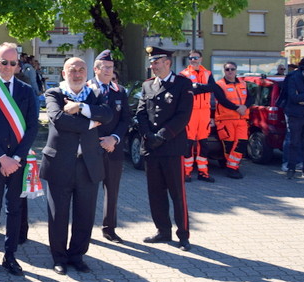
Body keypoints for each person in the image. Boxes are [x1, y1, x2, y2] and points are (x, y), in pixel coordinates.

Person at [40, 56, 111, 275]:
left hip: (88, 164)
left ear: (86, 73)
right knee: (58, 215)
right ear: (64, 73)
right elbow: (58, 118)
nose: (77, 74)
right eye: (72, 70)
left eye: (81, 70)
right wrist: (90, 123)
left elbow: (108, 115)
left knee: (85, 215)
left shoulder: (95, 94)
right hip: (60, 164)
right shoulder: (54, 93)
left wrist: (80, 107)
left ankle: (77, 256)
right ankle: (59, 258)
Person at [0, 43, 39, 277]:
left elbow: (32, 127)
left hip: (18, 161)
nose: (8, 66)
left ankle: (10, 256)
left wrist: (16, 158)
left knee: (15, 209)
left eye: (13, 63)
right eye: (4, 62)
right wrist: (3, 159)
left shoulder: (26, 90)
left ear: (18, 64)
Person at [136, 46, 194, 251]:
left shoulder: (182, 84)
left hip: (171, 147)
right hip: (152, 148)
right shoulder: (147, 85)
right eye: (151, 62)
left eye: (156, 62)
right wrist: (147, 135)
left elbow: (183, 115)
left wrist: (162, 136)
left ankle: (183, 235)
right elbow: (141, 113)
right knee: (156, 193)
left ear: (167, 62)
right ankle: (163, 231)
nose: (152, 65)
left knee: (177, 193)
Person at [88, 50, 130, 243]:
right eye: (104, 67)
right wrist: (99, 140)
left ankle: (109, 229)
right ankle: (84, 229)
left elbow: (125, 119)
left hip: (114, 148)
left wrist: (113, 139)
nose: (108, 71)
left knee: (112, 191)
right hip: (91, 148)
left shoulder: (119, 91)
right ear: (95, 69)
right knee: (87, 191)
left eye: (111, 67)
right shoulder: (86, 89)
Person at [179, 50, 215, 182]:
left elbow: (212, 88)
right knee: (188, 143)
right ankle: (186, 172)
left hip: (205, 112)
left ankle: (203, 172)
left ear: (201, 59)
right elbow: (186, 90)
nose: (193, 60)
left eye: (195, 57)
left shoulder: (208, 73)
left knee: (203, 143)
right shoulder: (184, 74)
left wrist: (197, 86)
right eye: (191, 58)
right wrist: (202, 88)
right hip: (191, 112)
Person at [214, 62, 254, 179]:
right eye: (227, 69)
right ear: (224, 71)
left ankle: (232, 167)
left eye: (232, 69)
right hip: (226, 119)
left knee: (241, 143)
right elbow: (222, 100)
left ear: (236, 70)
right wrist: (237, 108)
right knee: (229, 145)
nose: (230, 71)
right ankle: (232, 167)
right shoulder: (219, 84)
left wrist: (245, 107)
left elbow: (250, 98)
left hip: (242, 119)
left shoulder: (243, 83)